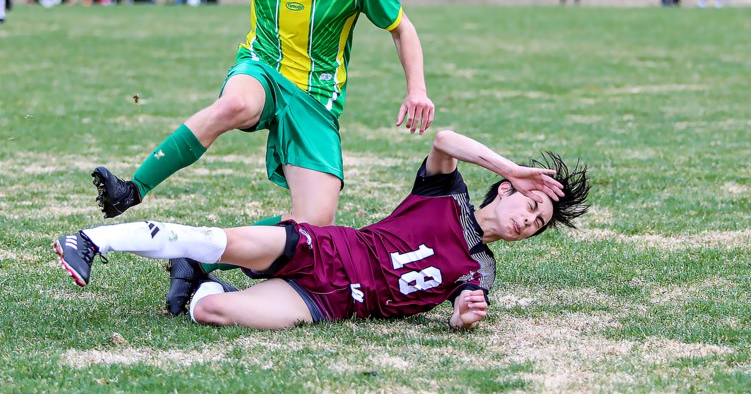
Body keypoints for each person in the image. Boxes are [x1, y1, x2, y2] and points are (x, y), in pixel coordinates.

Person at [90, 0, 435, 316]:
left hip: (315, 100)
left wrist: (417, 88)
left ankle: (195, 255)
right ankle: (132, 189)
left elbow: (401, 28)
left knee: (315, 227)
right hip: (262, 69)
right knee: (236, 103)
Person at [56, 129, 591, 330]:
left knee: (212, 311)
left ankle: (199, 283)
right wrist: (510, 166)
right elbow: (446, 138)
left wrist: (464, 318)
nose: (529, 221)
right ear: (506, 190)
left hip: (334, 305)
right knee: (219, 239)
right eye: (532, 205)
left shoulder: (482, 268)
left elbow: (463, 311)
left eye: (539, 223)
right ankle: (89, 241)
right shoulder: (446, 194)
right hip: (331, 252)